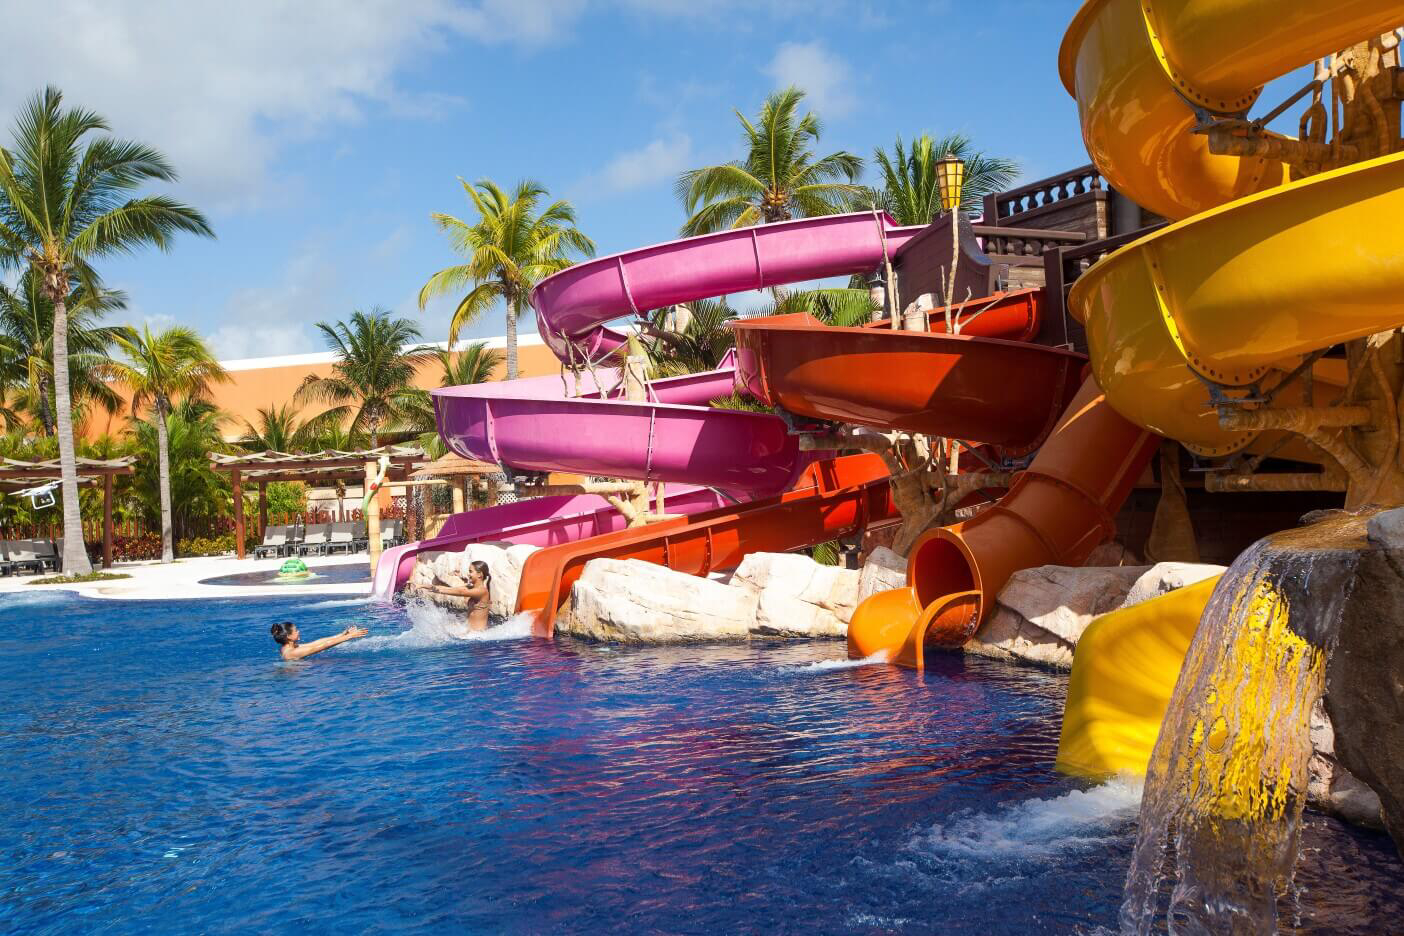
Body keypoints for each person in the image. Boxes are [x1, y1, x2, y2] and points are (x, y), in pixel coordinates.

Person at [431, 559, 492, 631]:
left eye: (471, 571)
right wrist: (426, 586)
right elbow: (453, 589)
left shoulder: (482, 591)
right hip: (471, 633)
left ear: (479, 574)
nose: (468, 574)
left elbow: (461, 592)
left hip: (478, 635)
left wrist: (439, 591)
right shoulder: (471, 587)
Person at [270, 620, 368, 660]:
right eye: (296, 631)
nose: (298, 631)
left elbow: (316, 643)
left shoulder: (288, 647)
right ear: (289, 636)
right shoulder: (292, 653)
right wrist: (349, 637)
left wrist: (341, 635)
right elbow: (322, 646)